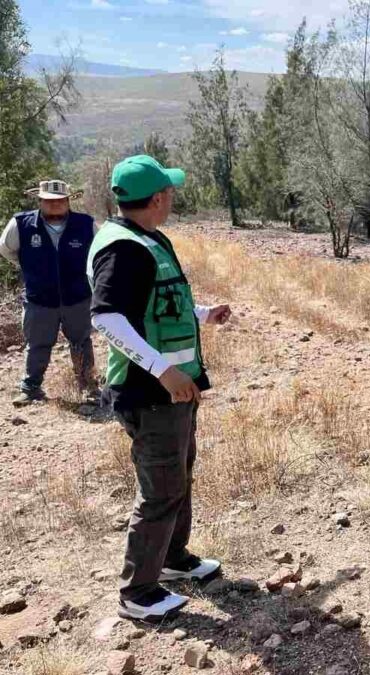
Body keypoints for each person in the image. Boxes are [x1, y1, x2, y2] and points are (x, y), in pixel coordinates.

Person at [88, 155, 232, 621]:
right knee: (161, 487)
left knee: (178, 474)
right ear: (156, 198)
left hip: (172, 388)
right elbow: (107, 317)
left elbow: (157, 306)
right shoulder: (122, 249)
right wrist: (161, 371)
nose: (171, 196)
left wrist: (204, 313)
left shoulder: (146, 239)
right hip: (150, 392)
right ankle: (139, 592)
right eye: (168, 191)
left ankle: (172, 559)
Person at [0, 180, 98, 407]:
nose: (55, 205)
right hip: (39, 300)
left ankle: (88, 387)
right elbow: (6, 249)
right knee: (37, 344)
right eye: (49, 201)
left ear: (68, 201)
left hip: (77, 298)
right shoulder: (21, 224)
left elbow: (99, 252)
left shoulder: (86, 224)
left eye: (60, 200)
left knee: (81, 342)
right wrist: (29, 267)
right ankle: (31, 388)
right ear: (40, 201)